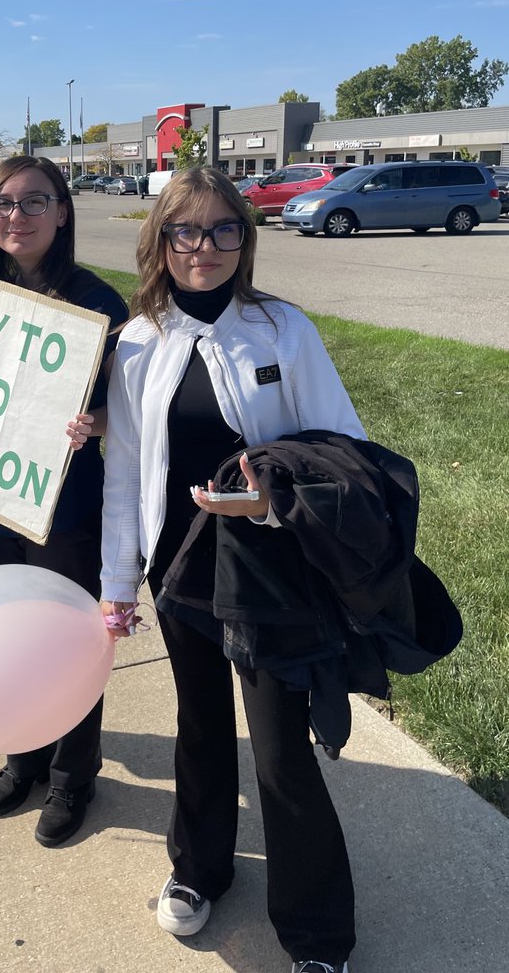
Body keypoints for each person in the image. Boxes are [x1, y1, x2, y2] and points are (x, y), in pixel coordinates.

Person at [99, 166, 366, 973]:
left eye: (223, 230)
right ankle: (199, 868)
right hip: (178, 570)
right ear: (161, 240)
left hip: (271, 569)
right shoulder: (140, 340)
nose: (204, 246)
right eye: (186, 230)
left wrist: (273, 505)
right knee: (201, 724)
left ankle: (317, 931)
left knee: (281, 748)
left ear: (245, 241)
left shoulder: (282, 330)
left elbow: (342, 450)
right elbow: (124, 471)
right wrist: (119, 582)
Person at [0, 155, 128, 846]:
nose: (17, 216)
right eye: (3, 203)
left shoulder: (101, 306)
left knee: (66, 640)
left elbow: (135, 414)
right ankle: (24, 755)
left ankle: (72, 776)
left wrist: (99, 422)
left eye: (35, 202)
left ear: (63, 212)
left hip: (65, 502)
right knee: (8, 634)